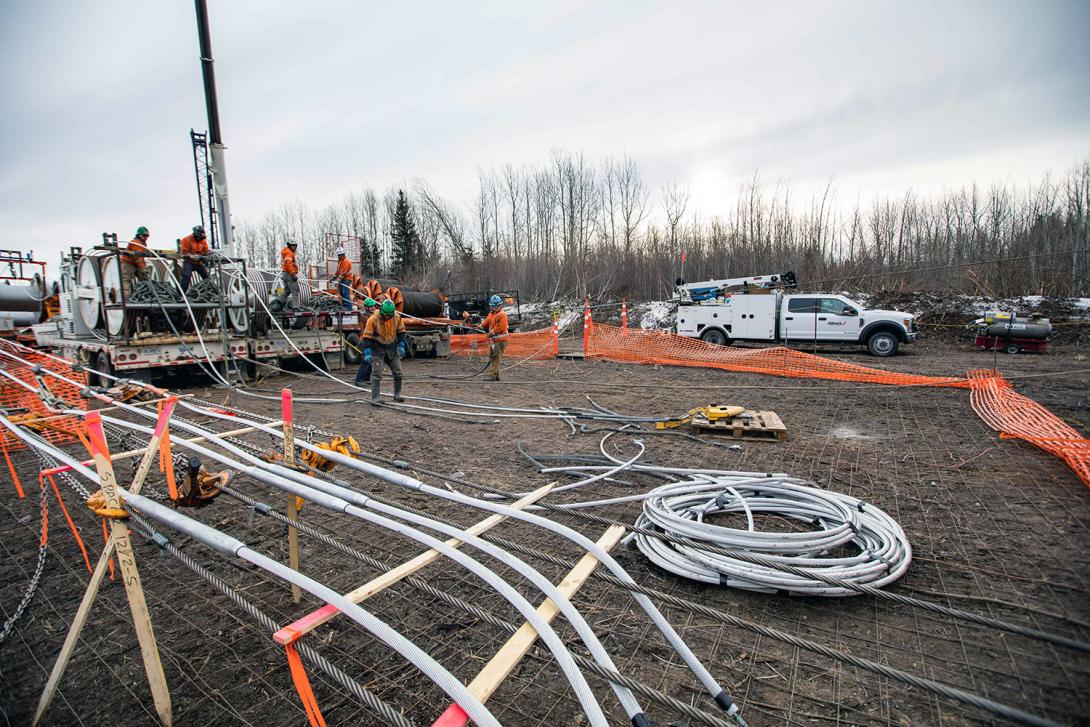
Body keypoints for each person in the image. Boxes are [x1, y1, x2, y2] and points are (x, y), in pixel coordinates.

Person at [360, 299, 406, 403]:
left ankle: (397, 394)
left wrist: (401, 344)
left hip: (391, 347)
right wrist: (367, 351)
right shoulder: (373, 319)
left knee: (398, 372)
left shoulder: (396, 317)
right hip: (377, 347)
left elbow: (401, 331)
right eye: (386, 315)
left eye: (390, 315)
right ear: (381, 311)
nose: (387, 317)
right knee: (377, 372)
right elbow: (367, 336)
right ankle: (375, 397)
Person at [464, 294, 509, 381]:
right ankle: (496, 376)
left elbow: (500, 327)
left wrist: (490, 333)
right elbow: (486, 321)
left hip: (501, 340)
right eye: (492, 306)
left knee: (495, 357)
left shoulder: (502, 314)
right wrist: (479, 327)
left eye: (495, 306)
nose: (493, 308)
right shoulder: (492, 314)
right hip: (495, 340)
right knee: (493, 356)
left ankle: (493, 376)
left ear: (499, 305)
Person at [352, 297, 379, 384]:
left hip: (371, 341)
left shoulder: (372, 315)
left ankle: (366, 378)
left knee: (371, 361)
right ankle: (359, 380)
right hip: (365, 341)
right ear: (366, 307)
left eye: (373, 306)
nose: (372, 308)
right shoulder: (364, 317)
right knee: (365, 361)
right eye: (370, 306)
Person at [120, 226, 151, 297]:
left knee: (145, 280)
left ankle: (144, 295)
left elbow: (141, 257)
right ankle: (127, 298)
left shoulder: (143, 243)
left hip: (136, 264)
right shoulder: (135, 242)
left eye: (147, 236)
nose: (146, 237)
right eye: (144, 236)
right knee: (126, 280)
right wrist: (143, 268)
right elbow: (138, 257)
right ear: (139, 235)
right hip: (128, 263)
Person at [178, 225, 210, 291]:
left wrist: (206, 255)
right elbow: (183, 252)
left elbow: (206, 251)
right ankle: (181, 294)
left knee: (206, 277)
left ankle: (208, 292)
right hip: (189, 262)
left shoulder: (203, 241)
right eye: (199, 237)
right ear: (196, 235)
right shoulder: (186, 240)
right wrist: (190, 255)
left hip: (199, 263)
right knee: (186, 276)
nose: (200, 239)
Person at [274, 239, 300, 309]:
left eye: (295, 245)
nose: (294, 247)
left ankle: (278, 302)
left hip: (285, 274)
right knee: (295, 291)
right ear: (289, 245)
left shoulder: (288, 252)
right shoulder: (289, 253)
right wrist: (293, 274)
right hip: (289, 274)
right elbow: (289, 264)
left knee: (287, 290)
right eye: (292, 245)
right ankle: (296, 308)